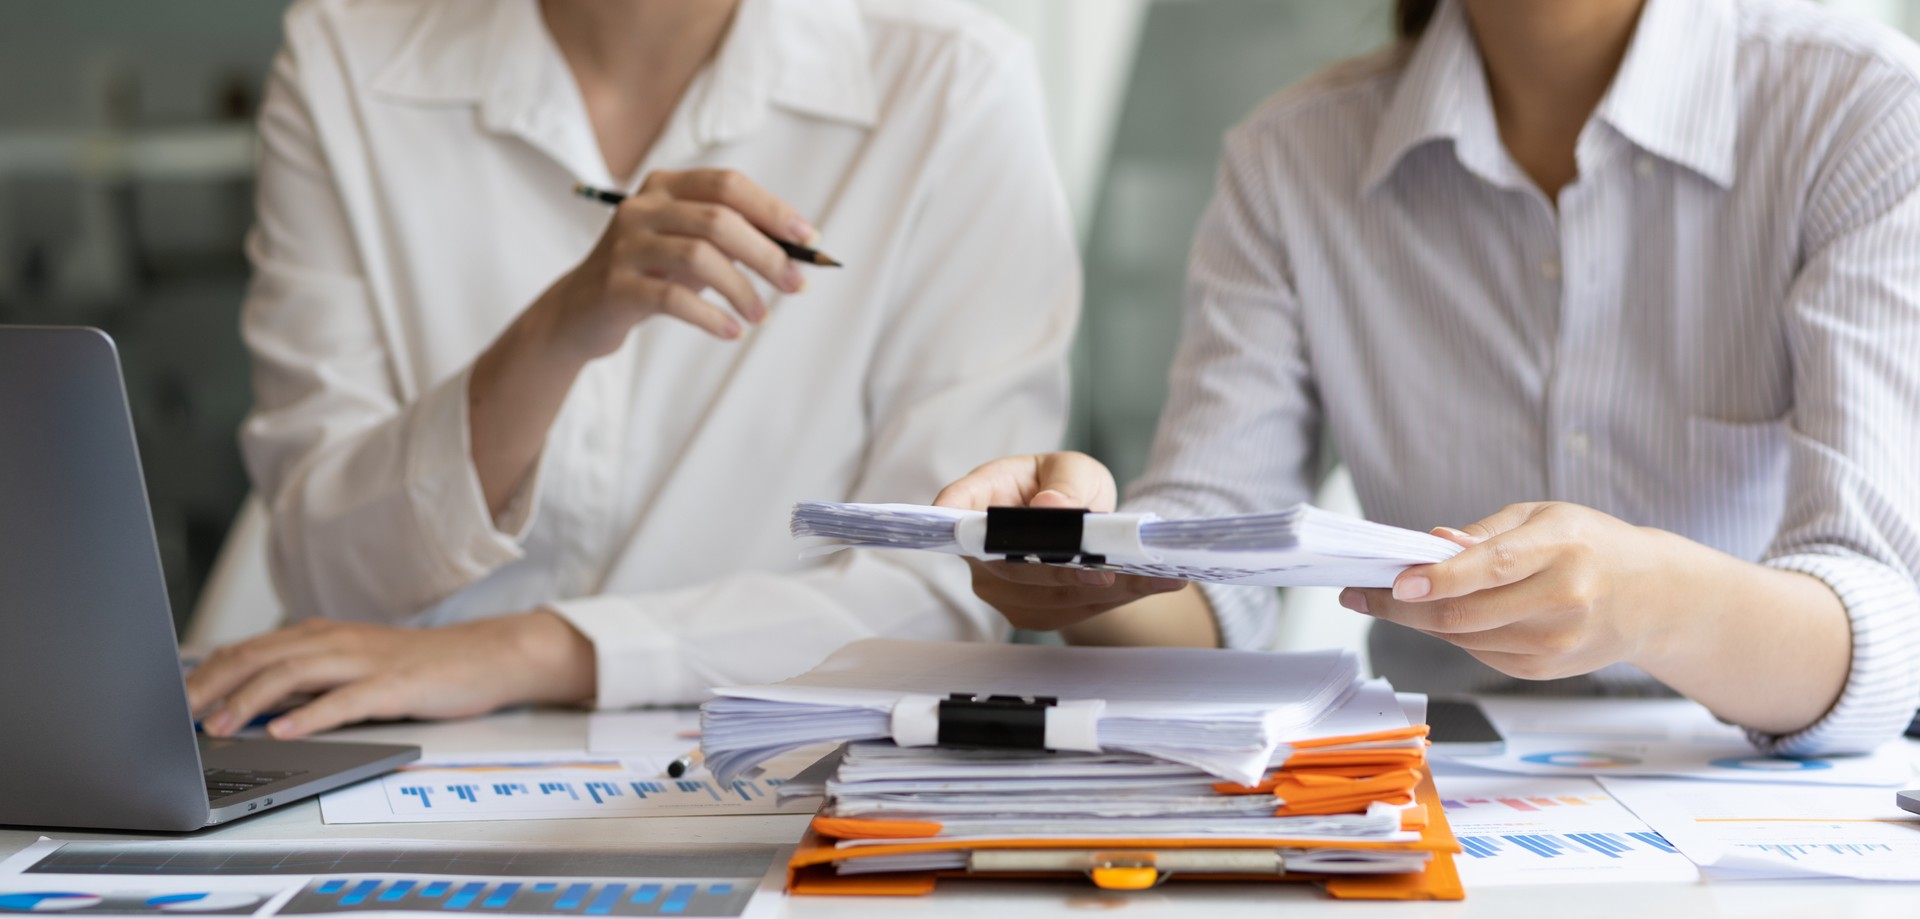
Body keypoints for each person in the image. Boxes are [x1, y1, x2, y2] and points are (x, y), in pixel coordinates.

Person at [936, 0, 1920, 753]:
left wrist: (1653, 600)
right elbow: (1219, 575)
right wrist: (1090, 566)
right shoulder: (1291, 162)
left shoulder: (1860, 113)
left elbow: (1879, 635)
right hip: (1427, 794)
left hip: (1758, 821)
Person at [187, 0, 1077, 738]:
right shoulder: (346, 58)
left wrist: (530, 649)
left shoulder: (952, 85)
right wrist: (556, 331)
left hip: (768, 775)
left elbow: (948, 585)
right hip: (386, 763)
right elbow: (327, 568)